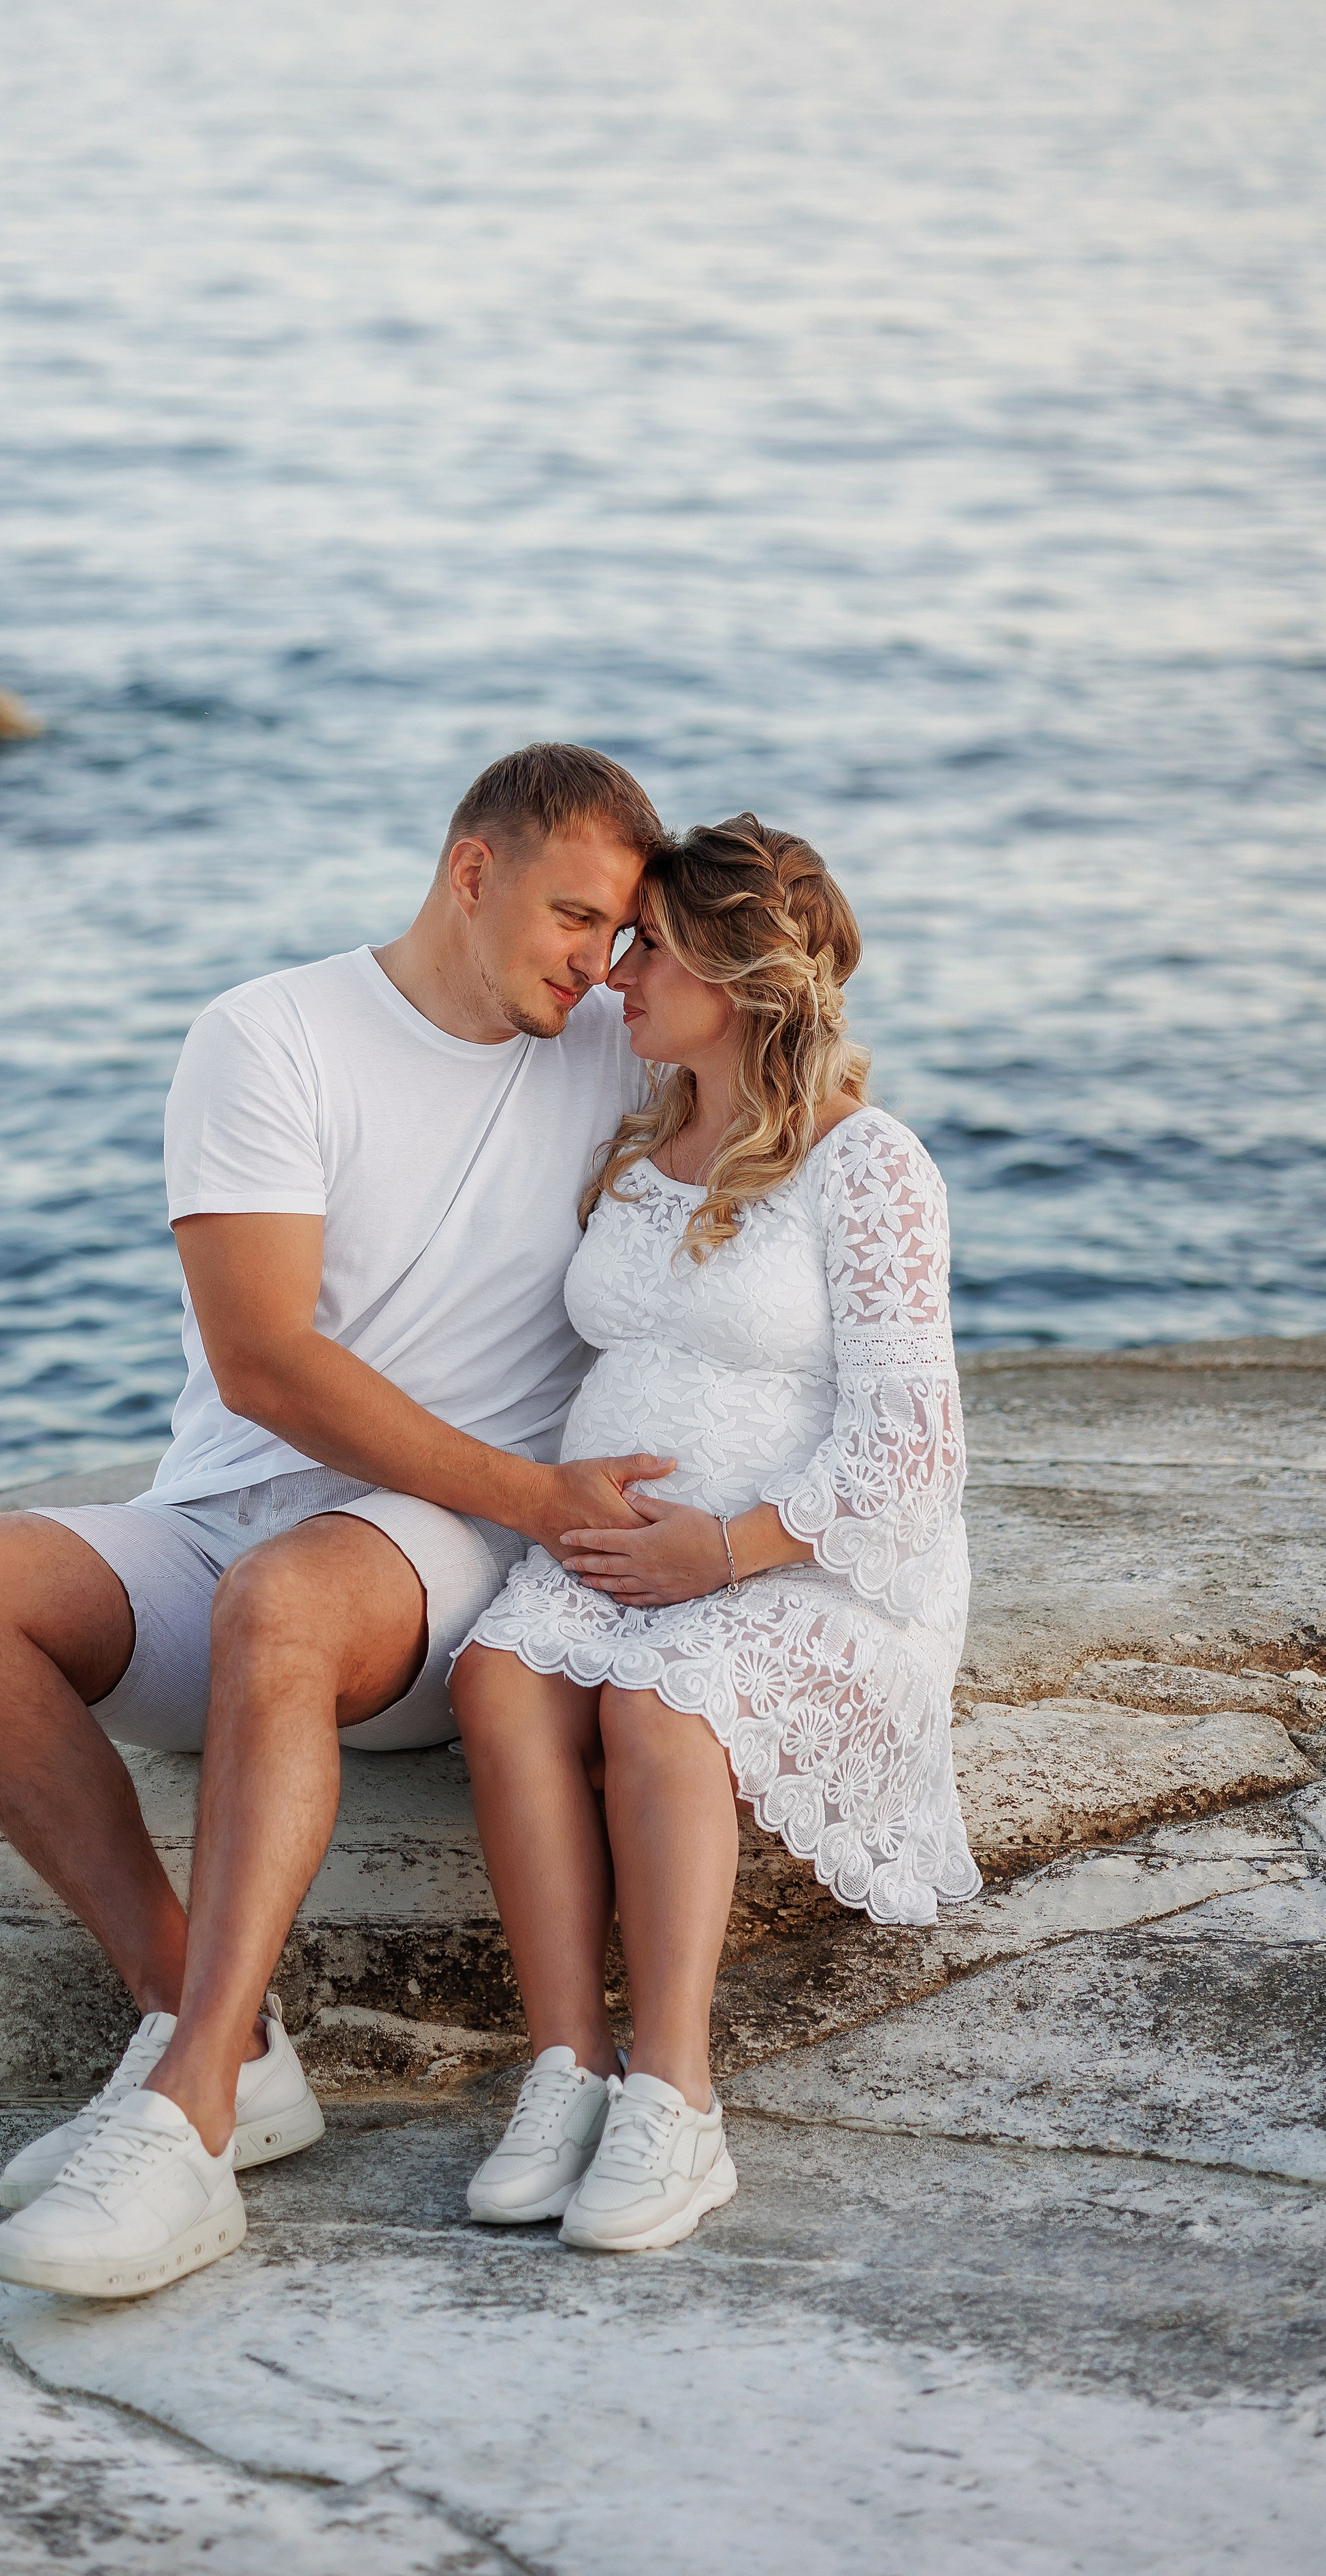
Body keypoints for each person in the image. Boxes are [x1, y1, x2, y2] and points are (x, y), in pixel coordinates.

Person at [0, 743, 677, 2300]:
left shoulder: (618, 1049)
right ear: (470, 870)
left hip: (446, 1573)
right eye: (574, 917)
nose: (595, 963)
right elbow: (263, 1361)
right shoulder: (271, 1033)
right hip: (230, 1523)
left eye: (620, 937)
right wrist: (541, 1489)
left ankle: (182, 2125)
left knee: (289, 1599)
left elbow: (799, 1111)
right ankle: (216, 2025)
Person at [450, 814, 979, 2254]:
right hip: (629, 1556)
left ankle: (675, 2103)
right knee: (497, 1680)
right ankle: (563, 2068)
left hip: (809, 1563)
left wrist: (723, 1549)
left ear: (743, 982)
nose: (618, 977)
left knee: (653, 1705)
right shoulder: (641, 1135)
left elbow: (910, 1449)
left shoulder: (867, 1167)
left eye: (653, 954)